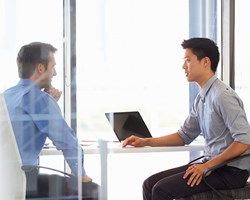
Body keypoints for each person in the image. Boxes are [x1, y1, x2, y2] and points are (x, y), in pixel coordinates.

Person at [122, 37, 250, 200]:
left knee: (161, 190)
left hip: (230, 171)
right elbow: (183, 136)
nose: (183, 66)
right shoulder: (202, 98)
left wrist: (207, 165)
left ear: (205, 62)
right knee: (149, 184)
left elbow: (244, 140)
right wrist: (145, 141)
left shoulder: (222, 96)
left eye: (188, 60)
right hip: (212, 165)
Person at [3, 42, 99, 199]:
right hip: (27, 182)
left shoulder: (7, 95)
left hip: (6, 183)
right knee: (94, 192)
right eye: (52, 67)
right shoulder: (39, 99)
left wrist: (50, 104)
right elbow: (67, 142)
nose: (54, 73)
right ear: (40, 68)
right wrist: (82, 176)